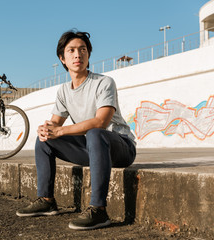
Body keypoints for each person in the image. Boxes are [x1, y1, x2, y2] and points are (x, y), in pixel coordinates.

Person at [16, 29, 136, 230]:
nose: (77, 55)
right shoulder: (64, 90)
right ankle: (46, 200)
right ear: (62, 59)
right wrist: (46, 129)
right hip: (92, 148)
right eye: (71, 51)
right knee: (45, 139)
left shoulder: (103, 82)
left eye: (82, 50)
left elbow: (101, 123)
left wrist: (61, 131)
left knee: (95, 133)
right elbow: (55, 124)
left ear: (88, 55)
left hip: (120, 146)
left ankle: (98, 211)